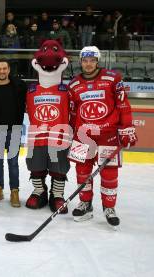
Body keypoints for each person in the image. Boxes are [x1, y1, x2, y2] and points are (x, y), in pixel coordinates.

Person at [68, 46, 137, 228]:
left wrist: (127, 128)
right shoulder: (74, 84)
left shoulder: (113, 79)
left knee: (109, 173)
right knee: (82, 171)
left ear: (97, 61)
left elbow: (123, 105)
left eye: (92, 60)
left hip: (108, 134)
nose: (88, 64)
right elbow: (74, 114)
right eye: (85, 60)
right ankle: (85, 203)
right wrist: (71, 134)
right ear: (80, 62)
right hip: (83, 135)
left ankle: (109, 207)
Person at [25, 40, 71, 213]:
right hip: (36, 138)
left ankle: (57, 195)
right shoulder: (30, 90)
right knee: (36, 167)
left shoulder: (66, 90)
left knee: (58, 169)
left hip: (59, 139)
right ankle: (39, 191)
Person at [0, 58, 27, 207]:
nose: (1, 71)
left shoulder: (20, 86)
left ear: (8, 70)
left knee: (13, 163)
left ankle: (15, 192)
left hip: (14, 130)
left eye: (4, 68)